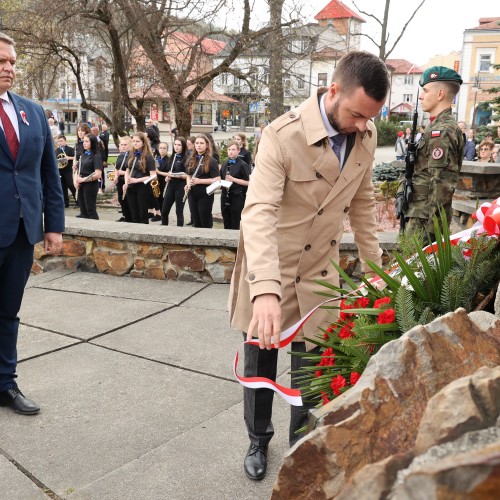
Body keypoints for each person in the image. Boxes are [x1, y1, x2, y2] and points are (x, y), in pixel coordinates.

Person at [228, 50, 390, 480]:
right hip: (272, 267)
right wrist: (263, 288)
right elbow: (258, 211)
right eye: (356, 114)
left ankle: (303, 444)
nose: (362, 126)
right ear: (333, 90)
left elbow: (363, 204)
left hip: (320, 269)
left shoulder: (366, 135)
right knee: (260, 361)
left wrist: (379, 277)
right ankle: (257, 439)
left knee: (314, 367)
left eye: (369, 118)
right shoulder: (282, 135)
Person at [0, 32, 64, 415]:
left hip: (22, 231)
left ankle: (5, 383)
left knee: (8, 311)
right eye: (0, 62)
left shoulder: (32, 111)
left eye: (10, 62)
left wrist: (52, 225)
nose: (8, 68)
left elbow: (48, 175)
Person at [404, 66, 465, 241]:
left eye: (425, 90)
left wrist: (432, 231)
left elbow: (442, 183)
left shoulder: (442, 131)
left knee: (414, 267)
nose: (421, 96)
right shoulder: (436, 127)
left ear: (440, 94)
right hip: (420, 212)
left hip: (424, 219)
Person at [185, 134, 220, 228]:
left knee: (205, 221)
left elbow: (217, 180)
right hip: (192, 194)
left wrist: (199, 181)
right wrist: (188, 184)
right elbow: (188, 175)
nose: (199, 145)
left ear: (207, 145)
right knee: (196, 222)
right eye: (197, 143)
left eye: (201, 143)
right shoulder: (191, 159)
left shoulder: (212, 161)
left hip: (205, 195)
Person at [124, 132, 156, 224]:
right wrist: (126, 182)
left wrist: (137, 180)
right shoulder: (132, 154)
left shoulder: (148, 157)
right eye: (133, 141)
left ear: (143, 142)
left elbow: (153, 176)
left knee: (142, 214)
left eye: (137, 141)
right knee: (134, 214)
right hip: (131, 187)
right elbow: (127, 170)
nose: (135, 143)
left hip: (143, 188)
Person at [220, 140, 250, 230]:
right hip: (225, 195)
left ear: (238, 151)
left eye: (233, 149)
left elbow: (248, 182)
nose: (231, 152)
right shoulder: (225, 164)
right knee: (226, 219)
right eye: (229, 149)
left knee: (236, 220)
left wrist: (233, 179)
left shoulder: (243, 165)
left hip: (237, 196)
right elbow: (221, 179)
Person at [73, 134, 103, 219]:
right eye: (83, 141)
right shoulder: (83, 154)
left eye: (87, 141)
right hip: (81, 184)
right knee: (83, 210)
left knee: (90, 210)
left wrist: (82, 180)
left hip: (90, 185)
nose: (84, 143)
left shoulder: (96, 156)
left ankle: (95, 229)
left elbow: (98, 174)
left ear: (92, 143)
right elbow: (77, 170)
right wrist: (76, 181)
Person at [161, 137, 188, 226]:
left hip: (181, 186)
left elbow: (188, 176)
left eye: (179, 145)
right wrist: (168, 177)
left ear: (183, 146)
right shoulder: (173, 156)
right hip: (171, 185)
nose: (176, 147)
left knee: (179, 211)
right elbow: (170, 171)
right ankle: (164, 229)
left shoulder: (187, 158)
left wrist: (175, 175)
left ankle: (179, 232)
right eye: (175, 144)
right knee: (164, 210)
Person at [113, 136, 133, 222]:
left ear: (130, 145)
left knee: (129, 200)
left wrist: (123, 173)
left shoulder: (132, 156)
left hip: (129, 180)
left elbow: (133, 171)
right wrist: (116, 176)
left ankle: (131, 217)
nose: (123, 146)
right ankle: (125, 216)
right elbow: (117, 168)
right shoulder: (120, 156)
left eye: (125, 144)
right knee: (121, 199)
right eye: (121, 145)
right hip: (120, 180)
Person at [56, 135, 76, 208]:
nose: (60, 142)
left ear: (65, 141)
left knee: (71, 185)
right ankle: (65, 202)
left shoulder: (70, 149)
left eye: (61, 141)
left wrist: (69, 158)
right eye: (59, 141)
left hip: (68, 170)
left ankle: (77, 201)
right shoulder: (57, 150)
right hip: (60, 170)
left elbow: (76, 157)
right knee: (62, 187)